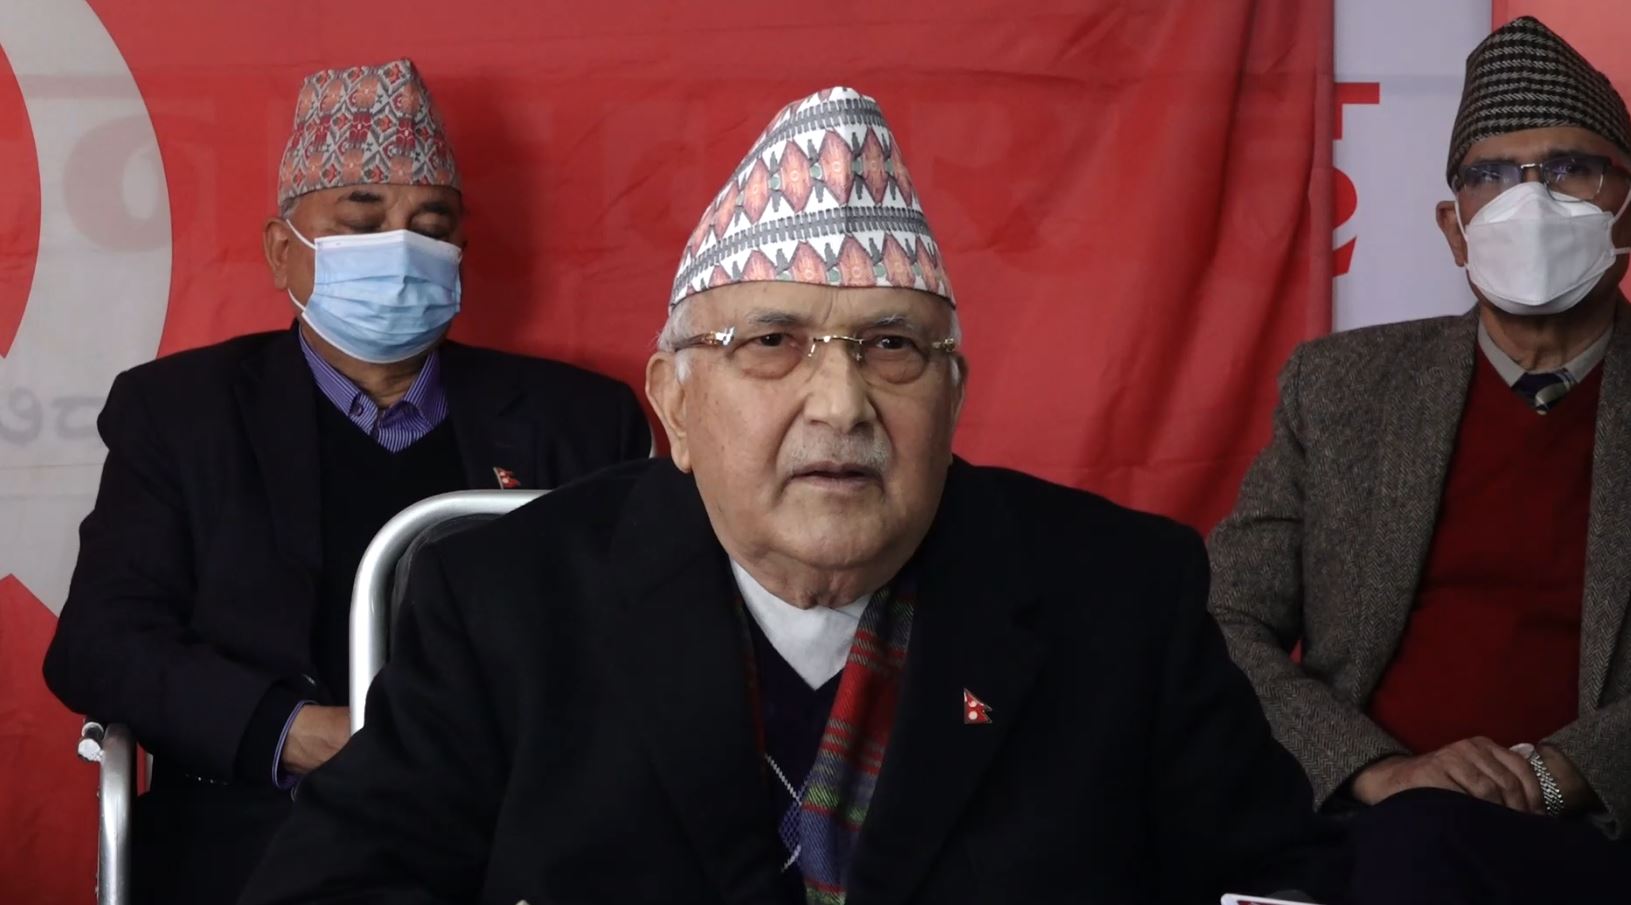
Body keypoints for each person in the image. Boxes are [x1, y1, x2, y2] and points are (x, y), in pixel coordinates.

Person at [240, 86, 1338, 905]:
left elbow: (1271, 878)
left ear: (953, 394)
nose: (841, 404)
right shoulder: (505, 600)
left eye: (893, 347)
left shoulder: (1120, 594)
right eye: (770, 342)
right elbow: (335, 883)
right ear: (674, 402)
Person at [42, 58, 650, 905]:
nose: (400, 250)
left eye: (430, 226)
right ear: (281, 252)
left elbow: (642, 643)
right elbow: (102, 644)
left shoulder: (577, 421)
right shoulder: (181, 414)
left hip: (511, 833)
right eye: (362, 224)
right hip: (260, 828)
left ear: (460, 253)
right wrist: (295, 733)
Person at [1209, 16, 1631, 901]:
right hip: (1371, 824)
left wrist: (1559, 772)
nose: (1529, 202)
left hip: (1597, 839)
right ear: (1454, 227)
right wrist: (1376, 770)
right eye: (1490, 176)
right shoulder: (1341, 387)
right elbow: (1223, 618)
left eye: (1569, 169)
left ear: (1624, 205)